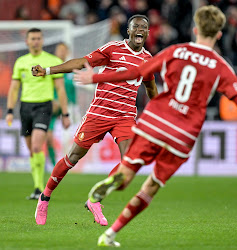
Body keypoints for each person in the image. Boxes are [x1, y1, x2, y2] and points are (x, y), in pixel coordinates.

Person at [73, 5, 237, 247]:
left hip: (156, 120)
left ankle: (116, 180)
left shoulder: (177, 51)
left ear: (195, 29)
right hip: (183, 134)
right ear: (220, 34)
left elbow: (138, 71)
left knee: (127, 170)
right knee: (150, 187)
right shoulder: (221, 67)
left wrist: (94, 77)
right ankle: (110, 234)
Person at [32, 14, 158, 226]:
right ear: (128, 31)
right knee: (72, 158)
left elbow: (151, 88)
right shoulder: (113, 49)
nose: (139, 30)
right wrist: (47, 71)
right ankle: (44, 198)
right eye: (135, 26)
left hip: (125, 116)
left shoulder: (147, 60)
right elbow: (82, 63)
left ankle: (95, 199)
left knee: (129, 163)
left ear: (147, 33)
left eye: (143, 28)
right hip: (99, 113)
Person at [6, 28, 70, 200]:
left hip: (44, 106)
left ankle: (39, 187)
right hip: (25, 107)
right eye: (32, 38)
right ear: (27, 41)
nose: (36, 41)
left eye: (38, 38)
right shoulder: (20, 62)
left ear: (42, 41)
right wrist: (10, 110)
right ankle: (36, 186)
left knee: (36, 146)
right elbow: (14, 88)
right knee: (32, 151)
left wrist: (65, 113)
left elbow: (60, 88)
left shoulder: (53, 61)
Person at [47, 43, 77, 167]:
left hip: (69, 107)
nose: (62, 52)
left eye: (64, 50)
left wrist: (75, 107)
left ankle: (66, 165)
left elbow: (73, 90)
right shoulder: (50, 68)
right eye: (60, 50)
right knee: (48, 137)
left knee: (68, 139)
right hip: (52, 105)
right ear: (55, 51)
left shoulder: (72, 69)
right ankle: (53, 164)